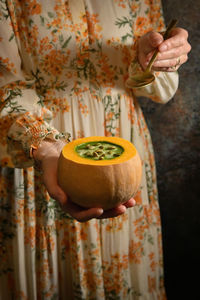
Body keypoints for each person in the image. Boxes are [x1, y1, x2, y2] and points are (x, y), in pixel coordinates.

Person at [0, 0, 191, 299]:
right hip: (38, 150)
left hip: (125, 147)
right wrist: (45, 145)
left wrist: (153, 57)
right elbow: (5, 80)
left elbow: (154, 84)